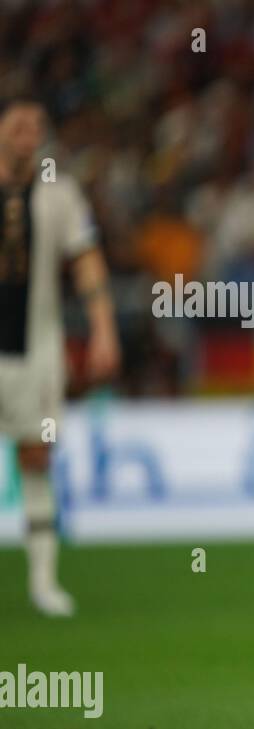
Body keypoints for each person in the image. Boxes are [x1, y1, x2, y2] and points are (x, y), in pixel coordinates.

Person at [0, 97, 119, 617]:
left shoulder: (59, 192)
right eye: (19, 124)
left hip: (37, 347)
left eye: (37, 126)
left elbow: (86, 261)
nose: (29, 134)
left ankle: (43, 581)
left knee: (36, 454)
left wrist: (103, 329)